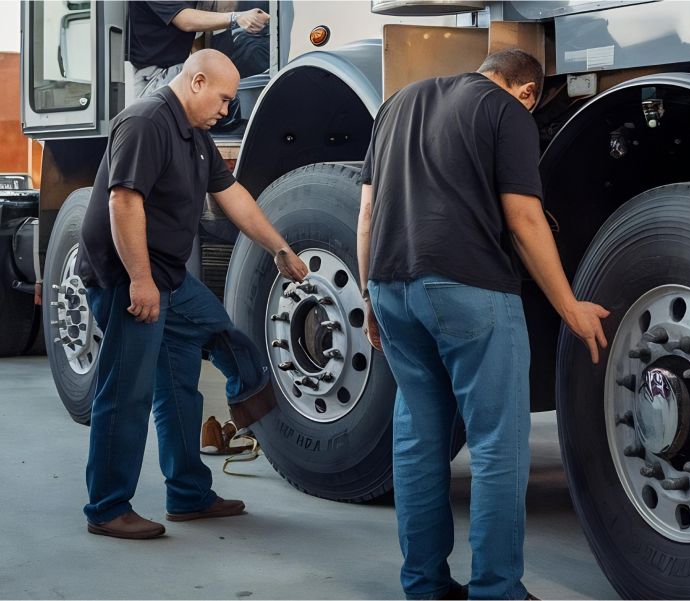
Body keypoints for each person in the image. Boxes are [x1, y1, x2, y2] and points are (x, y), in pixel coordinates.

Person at [356, 48, 609, 600]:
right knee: (498, 443)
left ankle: (424, 586)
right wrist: (570, 307)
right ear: (527, 91)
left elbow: (368, 213)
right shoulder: (507, 111)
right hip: (469, 289)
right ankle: (498, 591)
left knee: (419, 439)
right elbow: (522, 217)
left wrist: (368, 298)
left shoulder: (395, 105)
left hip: (390, 285)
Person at [74, 49, 308, 540]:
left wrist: (278, 248)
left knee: (208, 348)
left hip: (170, 278)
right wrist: (139, 280)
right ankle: (107, 508)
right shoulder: (146, 122)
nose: (227, 109)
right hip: (128, 279)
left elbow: (233, 196)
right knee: (126, 393)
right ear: (197, 82)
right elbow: (123, 200)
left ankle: (188, 493)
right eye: (223, 98)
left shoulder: (196, 134)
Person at [129, 1, 269, 97]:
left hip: (178, 68)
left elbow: (220, 5)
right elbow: (185, 19)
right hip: (154, 77)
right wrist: (236, 17)